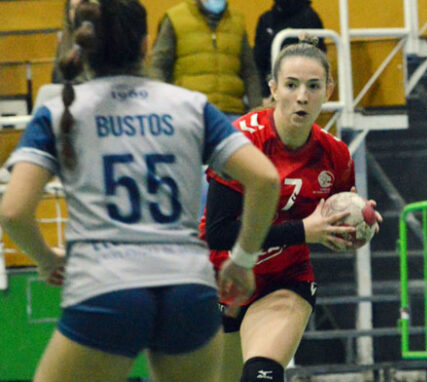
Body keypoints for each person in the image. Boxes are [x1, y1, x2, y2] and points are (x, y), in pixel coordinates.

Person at [0, 1, 280, 381]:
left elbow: (13, 212)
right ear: (147, 45)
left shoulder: (59, 112)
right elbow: (265, 179)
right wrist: (243, 259)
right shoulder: (191, 106)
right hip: (188, 290)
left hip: (106, 288)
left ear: (80, 47)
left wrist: (46, 258)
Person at [200, 35, 380, 382]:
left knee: (261, 376)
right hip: (220, 277)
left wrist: (360, 218)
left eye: (313, 86)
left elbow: (336, 218)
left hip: (284, 281)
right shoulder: (241, 141)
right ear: (273, 88)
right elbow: (218, 234)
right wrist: (303, 231)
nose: (302, 96)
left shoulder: (336, 155)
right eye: (292, 85)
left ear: (329, 90)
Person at [150, 0, 263, 122]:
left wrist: (256, 110)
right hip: (189, 111)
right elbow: (158, 67)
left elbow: (249, 72)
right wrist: (161, 106)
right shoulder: (175, 19)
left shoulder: (237, 21)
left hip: (231, 111)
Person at [253, 0, 326, 101]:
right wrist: (264, 95)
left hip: (303, 91)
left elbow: (318, 61)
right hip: (271, 90)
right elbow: (258, 62)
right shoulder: (266, 20)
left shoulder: (310, 18)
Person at [51, 0, 92, 84]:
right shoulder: (64, 42)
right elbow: (57, 78)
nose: (75, 12)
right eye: (72, 8)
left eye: (80, 6)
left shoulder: (99, 40)